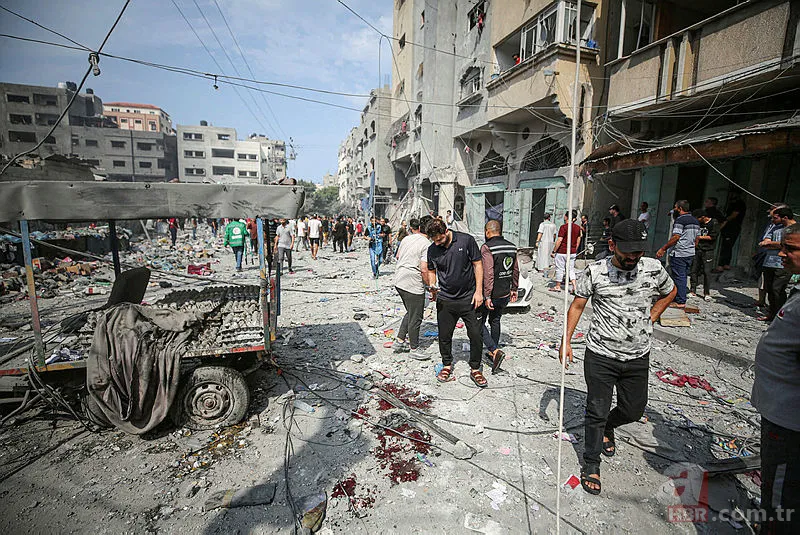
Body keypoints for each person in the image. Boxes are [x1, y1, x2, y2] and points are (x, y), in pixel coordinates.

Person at [562, 219, 677, 495]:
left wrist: (652, 316)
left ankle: (609, 426)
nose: (633, 257)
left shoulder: (653, 268)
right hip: (601, 354)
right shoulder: (596, 271)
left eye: (638, 252)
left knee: (634, 410)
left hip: (637, 355)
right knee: (596, 409)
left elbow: (670, 291)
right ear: (612, 245)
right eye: (628, 252)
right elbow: (578, 305)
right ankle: (591, 463)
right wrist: (566, 341)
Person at [751, 222, 800, 534]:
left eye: (790, 248)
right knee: (775, 486)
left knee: (781, 497)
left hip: (790, 422)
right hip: (779, 414)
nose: (781, 253)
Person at [424, 219, 487, 387]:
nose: (437, 243)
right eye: (434, 240)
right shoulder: (432, 249)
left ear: (445, 231)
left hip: (469, 298)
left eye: (439, 239)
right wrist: (432, 285)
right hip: (445, 299)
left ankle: (475, 368)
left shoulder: (466, 240)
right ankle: (446, 365)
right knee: (444, 335)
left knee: (475, 334)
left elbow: (478, 265)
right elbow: (431, 270)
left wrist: (479, 292)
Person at [479, 220, 518, 374]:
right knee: (495, 320)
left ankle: (494, 350)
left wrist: (487, 295)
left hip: (491, 294)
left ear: (488, 232)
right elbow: (515, 269)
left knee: (478, 323)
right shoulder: (511, 246)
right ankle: (492, 351)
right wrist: (514, 288)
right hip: (504, 292)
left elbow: (488, 273)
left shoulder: (487, 247)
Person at [393, 219, 430, 357]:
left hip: (399, 280)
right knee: (416, 316)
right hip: (413, 283)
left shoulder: (406, 239)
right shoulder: (427, 244)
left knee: (411, 312)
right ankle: (414, 349)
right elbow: (424, 269)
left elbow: (397, 256)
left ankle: (399, 341)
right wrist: (430, 286)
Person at [656, 200, 700, 308]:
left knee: (679, 277)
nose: (674, 209)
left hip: (680, 253)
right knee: (683, 276)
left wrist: (663, 248)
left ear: (680, 208)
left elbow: (676, 237)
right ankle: (677, 297)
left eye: (675, 208)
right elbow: (697, 238)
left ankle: (680, 301)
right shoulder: (695, 220)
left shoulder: (680, 220)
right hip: (689, 253)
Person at [759, 207, 796, 322]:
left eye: (775, 217)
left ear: (784, 217)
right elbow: (765, 241)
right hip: (770, 262)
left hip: (783, 264)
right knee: (769, 289)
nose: (772, 220)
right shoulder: (776, 227)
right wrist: (772, 244)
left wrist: (771, 244)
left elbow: (786, 245)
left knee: (778, 289)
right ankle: (772, 313)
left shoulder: (795, 230)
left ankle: (781, 316)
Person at [689, 209, 719, 301]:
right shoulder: (698, 224)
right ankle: (692, 290)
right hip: (697, 249)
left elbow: (713, 236)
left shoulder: (713, 223)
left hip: (708, 250)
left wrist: (699, 237)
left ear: (702, 217)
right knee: (694, 270)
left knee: (707, 272)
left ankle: (706, 293)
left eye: (697, 218)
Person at [551, 210, 582, 293]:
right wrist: (575, 249)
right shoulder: (578, 228)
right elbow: (579, 239)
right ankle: (574, 287)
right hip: (572, 252)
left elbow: (559, 240)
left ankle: (558, 286)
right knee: (571, 269)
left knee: (560, 269)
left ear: (566, 217)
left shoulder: (563, 227)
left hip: (562, 252)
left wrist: (554, 251)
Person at [715, 192, 747, 272]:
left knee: (727, 246)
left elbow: (734, 215)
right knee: (727, 246)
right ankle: (725, 264)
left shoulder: (739, 204)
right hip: (729, 227)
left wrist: (725, 221)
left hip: (732, 227)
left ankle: (721, 265)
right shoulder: (732, 203)